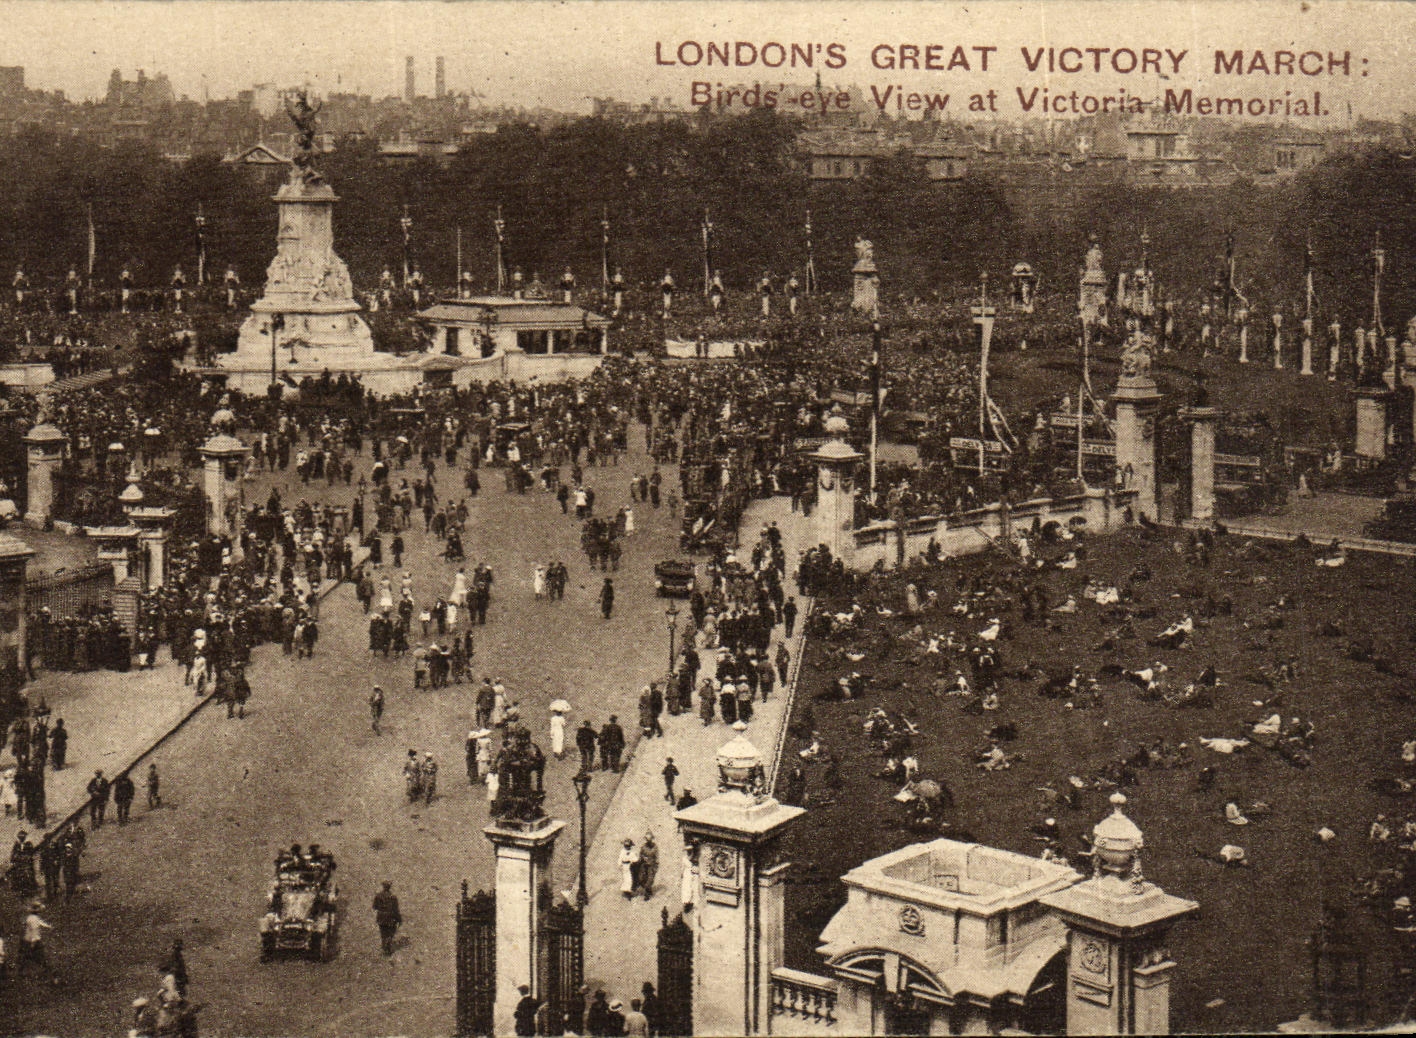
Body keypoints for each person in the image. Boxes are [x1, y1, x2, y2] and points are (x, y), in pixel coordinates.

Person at [19, 902, 52, 978]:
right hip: (33, 940)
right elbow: (34, 930)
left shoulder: (31, 917)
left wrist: (47, 926)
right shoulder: (33, 919)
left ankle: (23, 971)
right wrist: (33, 942)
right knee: (37, 955)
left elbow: (40, 922)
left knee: (28, 956)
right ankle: (43, 971)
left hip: (28, 939)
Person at [373, 880, 402, 955]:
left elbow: (374, 907)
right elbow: (396, 910)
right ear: (389, 887)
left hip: (381, 917)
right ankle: (387, 948)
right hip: (390, 918)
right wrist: (399, 920)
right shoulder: (393, 897)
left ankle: (384, 949)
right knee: (390, 933)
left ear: (383, 887)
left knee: (383, 934)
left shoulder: (378, 896)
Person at [639, 833, 659, 900]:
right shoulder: (643, 847)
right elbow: (640, 855)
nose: (648, 841)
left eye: (650, 840)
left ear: (652, 839)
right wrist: (643, 857)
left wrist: (656, 867)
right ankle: (649, 889)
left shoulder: (655, 847)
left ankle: (647, 894)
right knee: (642, 879)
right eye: (647, 840)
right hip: (644, 866)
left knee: (650, 880)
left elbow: (657, 858)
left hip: (652, 866)